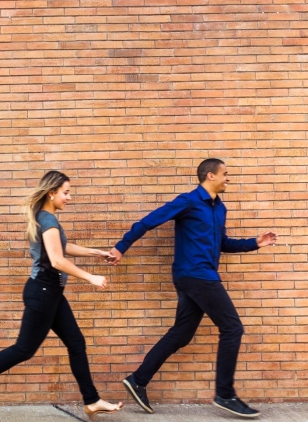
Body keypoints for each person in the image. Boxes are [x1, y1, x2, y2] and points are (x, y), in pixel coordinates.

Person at [108, 158, 277, 418]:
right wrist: (121, 246)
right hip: (196, 276)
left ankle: (138, 379)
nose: (228, 178)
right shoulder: (188, 201)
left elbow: (223, 243)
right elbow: (148, 221)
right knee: (232, 328)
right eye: (225, 174)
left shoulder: (219, 208)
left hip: (198, 277)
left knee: (181, 334)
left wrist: (255, 242)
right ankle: (225, 394)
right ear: (210, 176)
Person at [0, 170, 123, 419]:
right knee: (24, 349)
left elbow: (61, 247)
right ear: (51, 193)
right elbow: (57, 260)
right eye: (66, 193)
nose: (69, 197)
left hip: (50, 293)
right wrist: (90, 277)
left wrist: (95, 253)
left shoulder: (45, 218)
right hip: (43, 292)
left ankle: (92, 400)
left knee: (76, 344)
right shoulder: (48, 220)